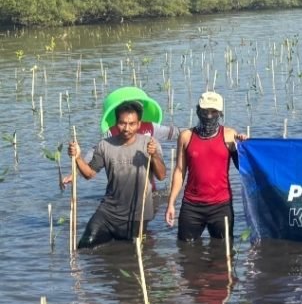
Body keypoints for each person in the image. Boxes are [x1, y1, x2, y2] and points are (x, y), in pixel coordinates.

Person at [67, 101, 167, 249]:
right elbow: (89, 174)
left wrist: (154, 156)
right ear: (116, 123)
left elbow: (161, 176)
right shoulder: (104, 145)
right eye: (122, 123)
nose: (126, 128)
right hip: (108, 212)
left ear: (139, 124)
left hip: (137, 214)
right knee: (85, 246)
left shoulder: (150, 144)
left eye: (131, 124)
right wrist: (77, 157)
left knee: (131, 255)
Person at [165, 92, 244, 241]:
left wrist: (244, 146)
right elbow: (180, 171)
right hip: (192, 206)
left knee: (224, 252)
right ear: (198, 111)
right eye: (205, 111)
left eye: (213, 112)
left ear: (220, 113)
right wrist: (171, 203)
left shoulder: (229, 135)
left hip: (221, 205)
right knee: (186, 252)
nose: (209, 116)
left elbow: (244, 168)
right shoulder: (186, 136)